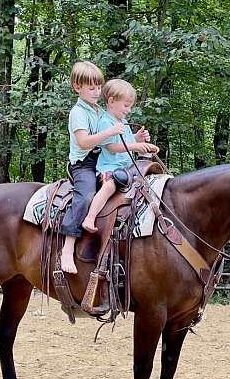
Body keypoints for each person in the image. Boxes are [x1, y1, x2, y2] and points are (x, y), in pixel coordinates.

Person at [60, 62, 124, 274]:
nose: (97, 92)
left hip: (103, 160)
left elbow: (112, 140)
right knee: (86, 195)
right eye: (92, 88)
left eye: (99, 87)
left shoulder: (98, 110)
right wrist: (109, 132)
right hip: (83, 164)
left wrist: (137, 139)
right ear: (77, 87)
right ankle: (68, 248)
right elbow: (84, 142)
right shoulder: (78, 112)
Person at [81, 79, 159, 234]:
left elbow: (127, 141)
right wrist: (135, 146)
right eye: (126, 105)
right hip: (109, 168)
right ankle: (90, 217)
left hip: (126, 169)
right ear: (111, 101)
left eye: (130, 106)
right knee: (110, 185)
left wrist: (138, 138)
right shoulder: (105, 122)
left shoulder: (123, 122)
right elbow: (111, 146)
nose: (129, 110)